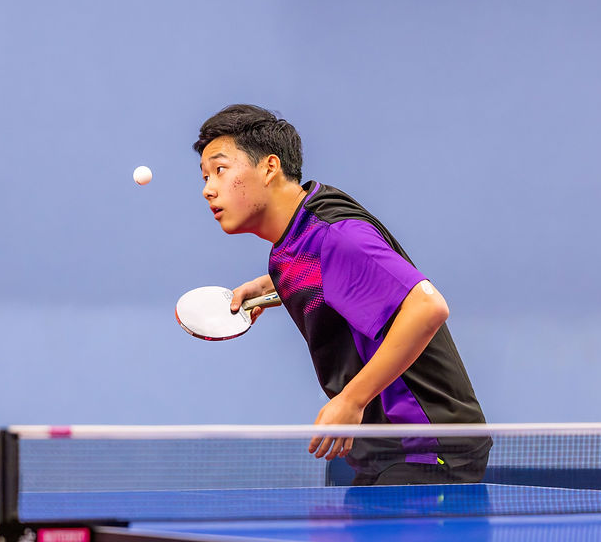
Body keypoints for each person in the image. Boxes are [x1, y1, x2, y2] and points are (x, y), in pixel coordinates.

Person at [193, 104, 491, 485]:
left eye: (220, 170)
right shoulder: (297, 234)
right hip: (382, 449)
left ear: (269, 167)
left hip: (428, 448)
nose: (208, 189)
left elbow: (428, 306)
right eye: (205, 177)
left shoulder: (336, 234)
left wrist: (351, 400)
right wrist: (271, 286)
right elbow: (330, 272)